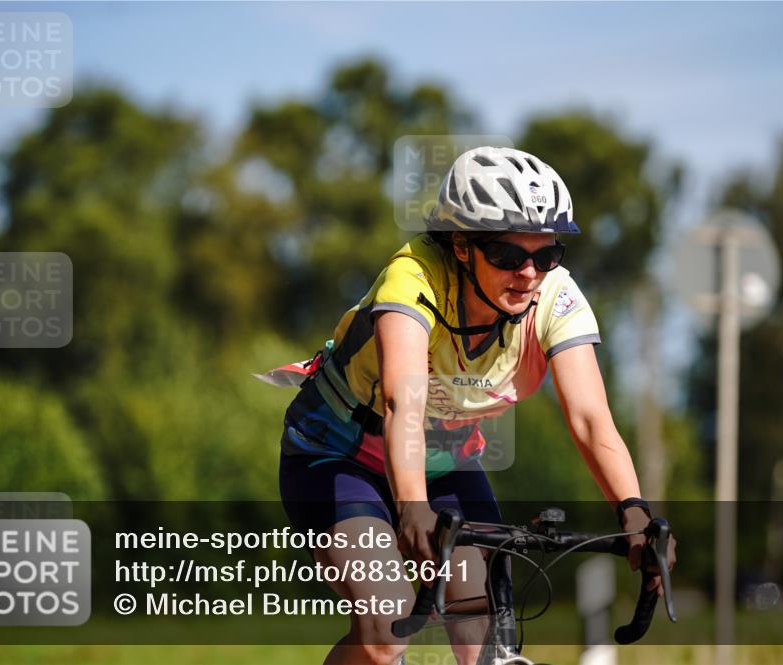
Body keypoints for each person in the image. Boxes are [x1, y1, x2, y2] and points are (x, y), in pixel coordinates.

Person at [261, 146, 676, 665]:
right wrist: (411, 507)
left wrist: (633, 512)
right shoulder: (413, 278)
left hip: (445, 457)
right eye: (507, 255)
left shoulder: (554, 296)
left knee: (482, 625)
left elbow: (591, 419)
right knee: (386, 628)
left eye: (546, 255)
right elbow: (401, 403)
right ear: (461, 245)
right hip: (338, 453)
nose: (529, 273)